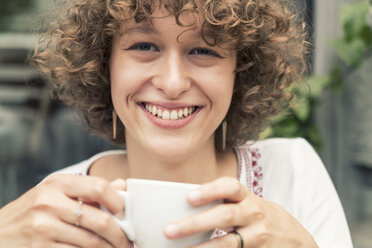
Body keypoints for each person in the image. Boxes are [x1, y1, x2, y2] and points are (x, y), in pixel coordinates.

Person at [0, 0, 353, 247]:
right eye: (143, 46)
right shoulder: (58, 207)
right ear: (104, 64)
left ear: (240, 71)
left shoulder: (292, 173)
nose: (172, 83)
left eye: (204, 50)